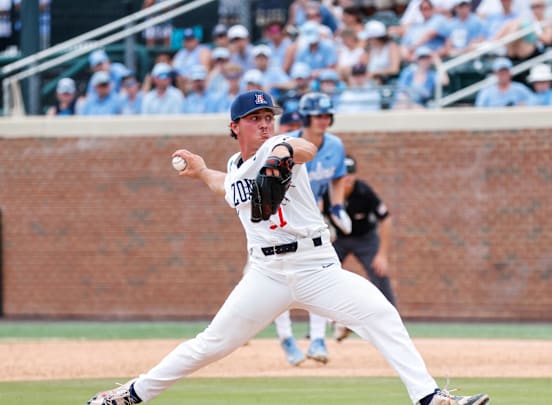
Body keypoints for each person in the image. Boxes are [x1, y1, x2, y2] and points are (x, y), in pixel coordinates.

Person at [83, 89, 493, 405]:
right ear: (234, 126)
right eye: (255, 118)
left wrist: (280, 149)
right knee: (210, 344)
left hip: (317, 268)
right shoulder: (234, 166)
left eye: (268, 117)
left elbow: (305, 149)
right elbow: (225, 185)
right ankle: (128, 395)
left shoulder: (279, 147)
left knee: (381, 315)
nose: (264, 123)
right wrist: (201, 170)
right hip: (265, 275)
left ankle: (429, 397)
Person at [273, 92, 352, 367]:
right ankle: (286, 338)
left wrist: (338, 207)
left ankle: (318, 338)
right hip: (279, 218)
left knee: (321, 272)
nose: (323, 121)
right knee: (276, 280)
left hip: (313, 218)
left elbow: (338, 177)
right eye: (318, 116)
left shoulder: (335, 145)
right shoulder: (286, 144)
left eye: (326, 115)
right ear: (306, 117)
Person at [321, 155, 397, 308]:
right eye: (343, 173)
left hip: (365, 238)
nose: (347, 177)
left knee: (379, 271)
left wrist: (382, 254)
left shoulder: (364, 191)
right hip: (337, 239)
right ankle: (326, 323)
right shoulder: (326, 191)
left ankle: (391, 317)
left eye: (351, 173)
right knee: (322, 273)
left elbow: (386, 218)